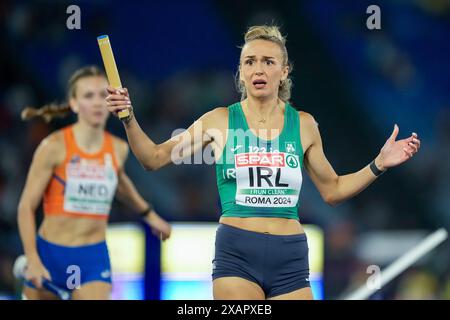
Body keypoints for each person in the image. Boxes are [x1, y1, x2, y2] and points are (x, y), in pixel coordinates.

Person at [105, 25, 421, 300]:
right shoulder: (220, 121)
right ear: (241, 72)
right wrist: (129, 117)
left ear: (283, 71)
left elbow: (333, 190)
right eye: (250, 62)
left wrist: (378, 163)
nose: (258, 69)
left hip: (291, 255)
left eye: (268, 62)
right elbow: (153, 158)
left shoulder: (305, 125)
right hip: (237, 253)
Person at [17, 66, 171, 300]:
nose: (98, 103)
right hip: (50, 254)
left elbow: (119, 183)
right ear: (74, 103)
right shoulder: (53, 146)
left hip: (92, 257)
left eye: (103, 95)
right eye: (89, 96)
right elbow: (26, 207)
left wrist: (149, 214)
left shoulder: (118, 149)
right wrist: (33, 259)